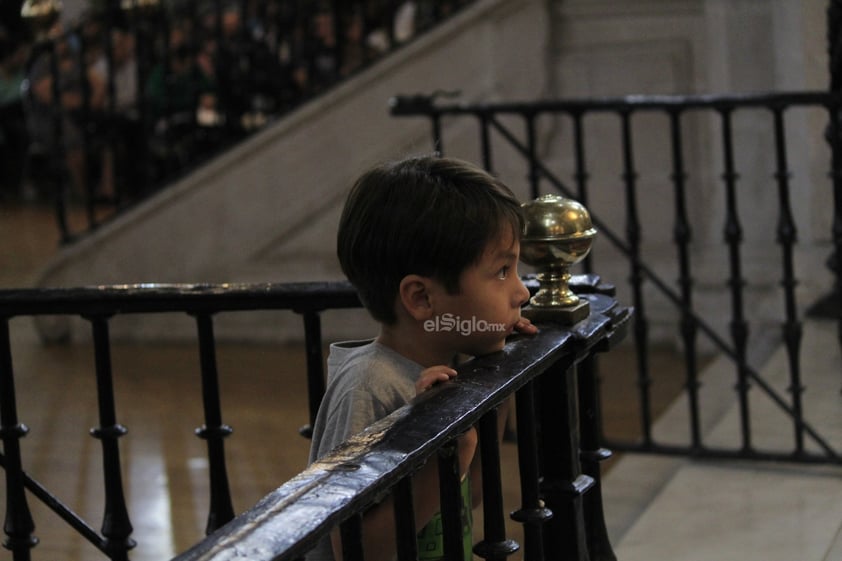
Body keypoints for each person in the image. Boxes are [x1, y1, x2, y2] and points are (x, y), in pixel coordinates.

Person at [307, 154, 537, 561]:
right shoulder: (369, 385)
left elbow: (473, 494)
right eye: (502, 271)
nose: (522, 293)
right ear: (422, 298)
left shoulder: (450, 370)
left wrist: (498, 384)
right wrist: (448, 456)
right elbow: (355, 547)